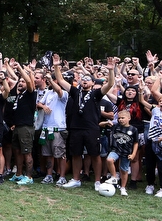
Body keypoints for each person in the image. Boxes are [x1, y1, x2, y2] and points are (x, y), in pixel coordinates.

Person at [53, 55, 116, 190]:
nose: (85, 82)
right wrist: (57, 66)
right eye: (83, 80)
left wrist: (111, 70)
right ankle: (76, 179)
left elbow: (110, 84)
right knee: (76, 154)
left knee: (95, 154)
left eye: (88, 80)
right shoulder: (76, 92)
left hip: (92, 128)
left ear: (93, 83)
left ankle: (97, 181)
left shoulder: (96, 94)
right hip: (76, 127)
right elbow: (60, 80)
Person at [6, 61, 37, 185]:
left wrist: (19, 68)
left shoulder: (30, 93)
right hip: (18, 127)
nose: (21, 83)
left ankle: (29, 177)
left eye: (22, 82)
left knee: (27, 152)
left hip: (26, 127)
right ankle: (18, 174)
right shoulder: (20, 96)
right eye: (20, 82)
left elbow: (29, 82)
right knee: (17, 151)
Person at [103, 109, 138, 196]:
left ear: (129, 118)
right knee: (109, 160)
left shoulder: (133, 129)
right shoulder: (116, 126)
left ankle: (123, 188)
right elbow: (100, 125)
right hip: (115, 150)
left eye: (123, 118)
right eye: (119, 118)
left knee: (124, 170)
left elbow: (136, 143)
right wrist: (106, 123)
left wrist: (133, 154)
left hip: (126, 152)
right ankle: (114, 177)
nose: (120, 120)